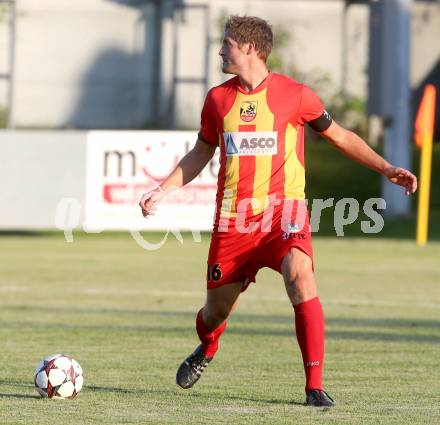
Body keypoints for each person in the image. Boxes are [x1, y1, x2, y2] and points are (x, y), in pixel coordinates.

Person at [139, 15, 417, 408]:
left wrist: (386, 168)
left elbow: (341, 136)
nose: (221, 49)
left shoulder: (296, 95)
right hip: (234, 222)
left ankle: (314, 386)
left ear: (250, 48)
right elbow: (202, 151)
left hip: (284, 216)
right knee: (214, 313)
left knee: (300, 277)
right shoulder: (218, 100)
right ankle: (209, 345)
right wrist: (163, 190)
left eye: (227, 43)